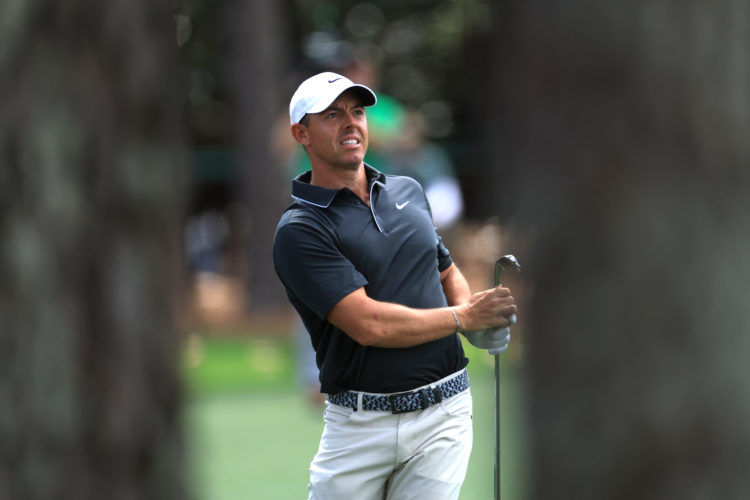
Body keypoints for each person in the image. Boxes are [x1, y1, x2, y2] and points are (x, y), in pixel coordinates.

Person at [272, 72, 517, 500]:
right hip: (360, 427)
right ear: (301, 134)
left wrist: (475, 322)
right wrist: (463, 318)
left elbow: (444, 270)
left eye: (357, 112)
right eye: (332, 115)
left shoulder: (408, 190)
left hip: (445, 414)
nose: (351, 123)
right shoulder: (300, 229)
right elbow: (370, 325)